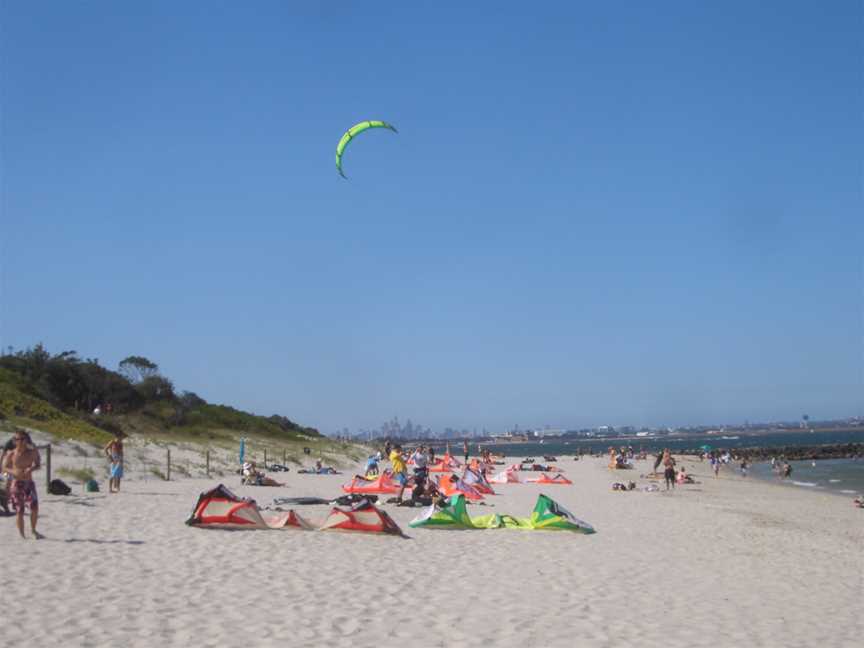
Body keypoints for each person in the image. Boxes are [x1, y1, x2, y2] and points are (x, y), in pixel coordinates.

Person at [2, 429, 43, 539]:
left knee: (34, 508)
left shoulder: (32, 452)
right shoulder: (11, 454)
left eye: (21, 439)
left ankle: (33, 530)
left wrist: (31, 469)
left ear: (26, 440)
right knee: (20, 511)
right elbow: (3, 467)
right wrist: (13, 471)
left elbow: (38, 464)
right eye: (16, 439)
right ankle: (22, 535)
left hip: (29, 483)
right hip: (16, 484)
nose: (18, 441)